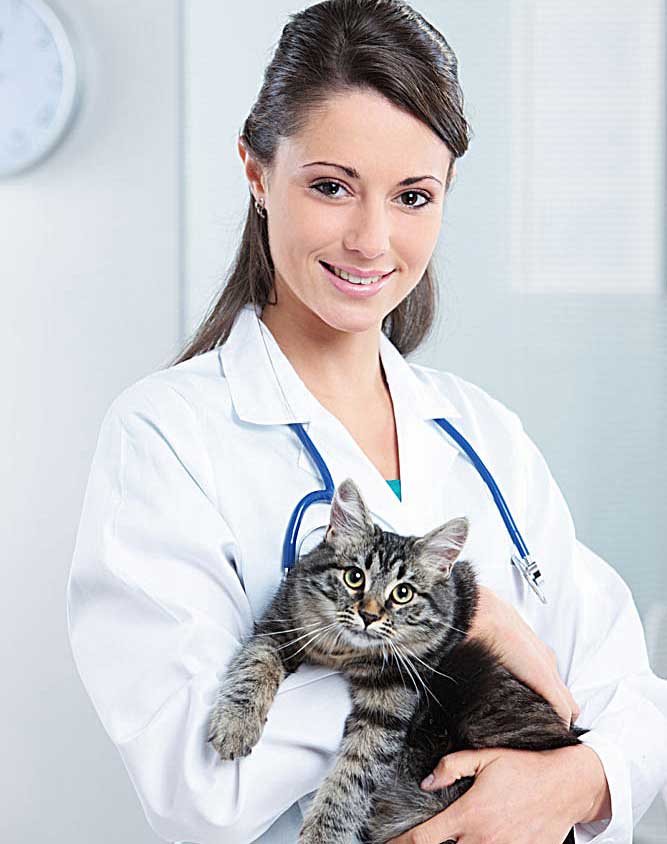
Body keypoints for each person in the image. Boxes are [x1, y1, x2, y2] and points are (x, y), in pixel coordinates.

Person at [65, 1, 667, 843]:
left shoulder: (481, 433)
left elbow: (628, 701)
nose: (371, 239)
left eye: (412, 196)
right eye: (331, 186)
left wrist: (577, 780)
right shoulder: (169, 435)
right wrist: (460, 622)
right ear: (255, 172)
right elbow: (193, 781)